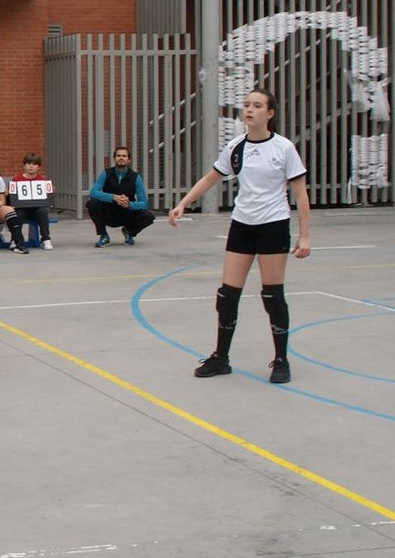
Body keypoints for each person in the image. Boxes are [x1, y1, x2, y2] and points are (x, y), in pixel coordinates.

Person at [168, 88, 311, 384]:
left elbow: (300, 193)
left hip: (273, 225)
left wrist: (304, 236)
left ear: (269, 113)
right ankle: (221, 358)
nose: (249, 110)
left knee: (272, 296)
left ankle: (281, 359)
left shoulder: (283, 148)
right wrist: (183, 203)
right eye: (246, 105)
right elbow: (210, 178)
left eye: (257, 106)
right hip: (242, 225)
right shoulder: (235, 147)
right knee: (227, 295)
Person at [87, 146, 155, 247]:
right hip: (108, 212)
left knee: (148, 216)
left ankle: (129, 232)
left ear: (129, 160)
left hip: (126, 213)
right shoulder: (106, 173)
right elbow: (93, 193)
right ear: (114, 158)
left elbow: (144, 203)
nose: (121, 158)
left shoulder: (135, 177)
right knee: (92, 203)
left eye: (124, 156)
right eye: (118, 155)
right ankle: (104, 236)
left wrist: (129, 205)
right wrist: (113, 197)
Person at [10, 153, 54, 250]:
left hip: (36, 209)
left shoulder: (42, 180)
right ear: (24, 165)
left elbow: (47, 199)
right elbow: (12, 196)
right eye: (28, 163)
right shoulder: (17, 179)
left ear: (38, 167)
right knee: (18, 214)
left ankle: (46, 239)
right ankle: (15, 239)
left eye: (34, 164)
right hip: (22, 208)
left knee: (42, 211)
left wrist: (50, 193)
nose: (31, 166)